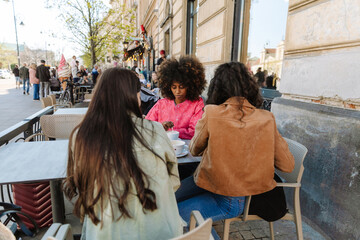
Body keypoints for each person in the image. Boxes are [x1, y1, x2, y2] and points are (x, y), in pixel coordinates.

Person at [175, 62, 295, 240]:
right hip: (212, 184)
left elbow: (194, 149)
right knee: (168, 197)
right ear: (250, 87)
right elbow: (287, 165)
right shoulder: (266, 118)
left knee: (172, 213)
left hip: (227, 199)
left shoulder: (212, 113)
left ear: (217, 87)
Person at [63, 67, 183, 240]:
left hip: (104, 233)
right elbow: (173, 182)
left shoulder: (81, 136)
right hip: (162, 231)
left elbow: (82, 187)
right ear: (133, 96)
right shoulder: (156, 130)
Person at [146, 56, 206, 140]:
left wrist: (169, 131)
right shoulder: (161, 103)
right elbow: (147, 125)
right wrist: (160, 127)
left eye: (181, 87)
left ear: (189, 86)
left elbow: (195, 131)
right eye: (174, 87)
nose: (177, 91)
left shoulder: (197, 104)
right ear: (168, 87)